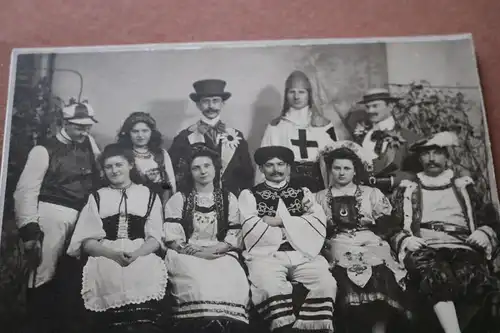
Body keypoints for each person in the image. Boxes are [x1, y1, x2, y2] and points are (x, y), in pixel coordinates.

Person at [390, 131, 500, 333]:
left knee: (478, 281)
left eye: (437, 153)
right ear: (419, 158)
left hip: (463, 246)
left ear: (447, 156)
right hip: (426, 248)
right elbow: (391, 225)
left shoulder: (465, 187)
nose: (431, 159)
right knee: (435, 275)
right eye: (426, 154)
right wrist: (405, 239)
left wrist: (483, 233)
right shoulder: (408, 189)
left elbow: (490, 219)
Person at [13, 102, 101, 333]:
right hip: (52, 212)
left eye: (88, 128)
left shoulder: (89, 145)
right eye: (79, 127)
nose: (85, 132)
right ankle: (36, 324)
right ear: (65, 123)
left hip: (82, 215)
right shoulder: (44, 149)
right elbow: (26, 190)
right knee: (43, 272)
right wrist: (30, 229)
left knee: (72, 272)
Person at [66, 143, 168, 333]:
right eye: (108, 167)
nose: (114, 170)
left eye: (119, 165)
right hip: (106, 252)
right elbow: (87, 242)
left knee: (144, 268)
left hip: (141, 250)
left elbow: (155, 238)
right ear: (103, 171)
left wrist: (137, 254)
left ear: (130, 165)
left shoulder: (148, 195)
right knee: (106, 270)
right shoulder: (97, 197)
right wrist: (112, 255)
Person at [239, 146, 336, 333]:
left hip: (302, 253)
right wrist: (296, 226)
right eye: (269, 165)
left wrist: (279, 221)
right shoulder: (250, 195)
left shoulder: (303, 193)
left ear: (288, 167)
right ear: (261, 169)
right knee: (269, 286)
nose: (276, 169)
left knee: (326, 283)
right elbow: (252, 227)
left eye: (281, 164)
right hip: (267, 255)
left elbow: (316, 221)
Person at [315, 141, 409, 333]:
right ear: (330, 170)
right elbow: (315, 230)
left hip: (369, 240)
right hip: (338, 241)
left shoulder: (372, 193)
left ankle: (379, 328)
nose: (341, 173)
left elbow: (387, 224)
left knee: (382, 272)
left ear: (355, 171)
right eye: (337, 168)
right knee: (345, 274)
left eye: (347, 168)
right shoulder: (319, 197)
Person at [163, 143, 250, 333]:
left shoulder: (228, 198)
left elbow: (235, 232)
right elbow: (172, 236)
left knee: (233, 281)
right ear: (190, 172)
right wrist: (199, 253)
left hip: (221, 251)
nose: (202, 171)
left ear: (215, 168)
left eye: (207, 166)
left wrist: (215, 250)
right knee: (198, 285)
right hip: (187, 253)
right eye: (196, 168)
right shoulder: (180, 198)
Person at [258, 70, 351, 192]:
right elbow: (264, 162)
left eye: (301, 92)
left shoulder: (324, 125)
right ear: (286, 95)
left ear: (309, 95)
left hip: (319, 181)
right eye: (292, 92)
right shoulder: (276, 127)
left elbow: (336, 158)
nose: (296, 97)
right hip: (286, 182)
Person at [168, 79, 254, 196]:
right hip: (197, 199)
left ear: (222, 103)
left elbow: (247, 173)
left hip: (231, 198)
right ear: (198, 105)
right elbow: (173, 173)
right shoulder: (185, 137)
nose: (211, 106)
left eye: (215, 101)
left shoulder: (236, 136)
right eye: (205, 101)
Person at [346, 88, 420, 194]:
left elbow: (417, 174)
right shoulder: (360, 137)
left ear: (390, 106)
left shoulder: (409, 137)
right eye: (367, 107)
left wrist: (390, 181)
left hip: (395, 198)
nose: (370, 111)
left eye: (375, 106)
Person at [117, 111, 176, 205]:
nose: (140, 135)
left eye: (145, 131)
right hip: (131, 203)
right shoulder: (122, 155)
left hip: (160, 203)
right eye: (135, 131)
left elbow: (170, 183)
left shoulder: (161, 154)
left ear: (151, 132)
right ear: (128, 133)